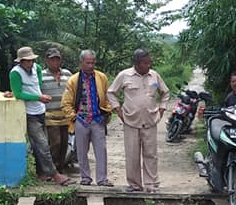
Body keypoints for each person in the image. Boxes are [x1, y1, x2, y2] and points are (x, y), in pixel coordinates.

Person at [108, 48, 170, 193]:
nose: (148, 65)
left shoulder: (154, 75)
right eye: (145, 63)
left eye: (149, 62)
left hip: (150, 120)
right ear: (137, 64)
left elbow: (165, 92)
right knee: (132, 155)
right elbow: (111, 93)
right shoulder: (124, 75)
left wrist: (162, 109)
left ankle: (151, 184)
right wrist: (118, 110)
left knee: (151, 154)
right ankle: (134, 185)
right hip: (131, 120)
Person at [9, 46, 72, 186]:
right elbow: (18, 94)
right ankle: (54, 174)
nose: (30, 63)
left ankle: (41, 173)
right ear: (21, 61)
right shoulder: (15, 73)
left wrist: (39, 97)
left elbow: (37, 87)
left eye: (31, 60)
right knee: (43, 145)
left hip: (41, 110)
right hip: (29, 113)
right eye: (27, 61)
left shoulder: (36, 69)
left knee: (39, 145)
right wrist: (38, 97)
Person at [61, 49, 113, 186]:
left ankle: (102, 179)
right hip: (81, 120)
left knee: (101, 150)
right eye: (88, 63)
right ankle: (85, 178)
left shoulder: (101, 77)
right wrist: (73, 117)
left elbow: (107, 97)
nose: (91, 65)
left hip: (97, 119)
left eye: (93, 63)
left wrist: (107, 111)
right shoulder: (73, 80)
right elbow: (66, 102)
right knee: (81, 151)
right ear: (81, 63)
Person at [40, 47, 72, 173]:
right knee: (55, 142)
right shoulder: (41, 75)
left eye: (57, 59)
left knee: (64, 143)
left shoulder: (67, 74)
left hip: (65, 115)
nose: (55, 62)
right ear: (47, 61)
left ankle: (60, 169)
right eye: (52, 60)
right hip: (50, 115)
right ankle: (51, 170)